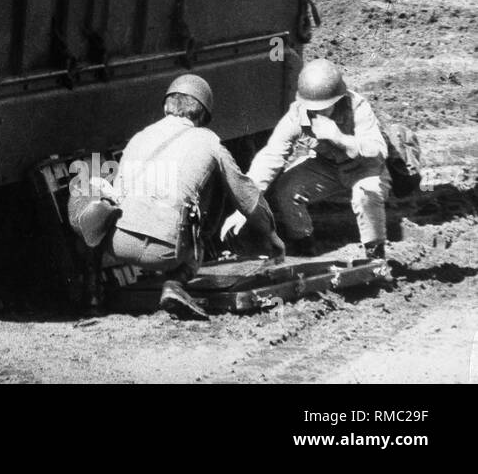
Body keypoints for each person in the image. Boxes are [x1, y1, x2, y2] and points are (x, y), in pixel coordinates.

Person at [71, 74, 283, 319]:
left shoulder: (139, 137)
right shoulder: (210, 141)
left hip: (117, 244)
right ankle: (176, 283)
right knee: (211, 186)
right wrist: (272, 237)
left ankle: (93, 292)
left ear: (165, 107)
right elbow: (247, 197)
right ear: (203, 115)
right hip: (168, 252)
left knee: (90, 197)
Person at [221, 58, 389, 259]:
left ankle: (376, 257)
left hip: (366, 168)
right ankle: (304, 247)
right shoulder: (299, 114)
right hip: (327, 167)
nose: (317, 112)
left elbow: (377, 151)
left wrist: (339, 138)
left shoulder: (357, 107)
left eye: (324, 107)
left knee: (366, 193)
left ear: (338, 99)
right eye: (312, 107)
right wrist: (245, 206)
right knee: (287, 189)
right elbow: (271, 156)